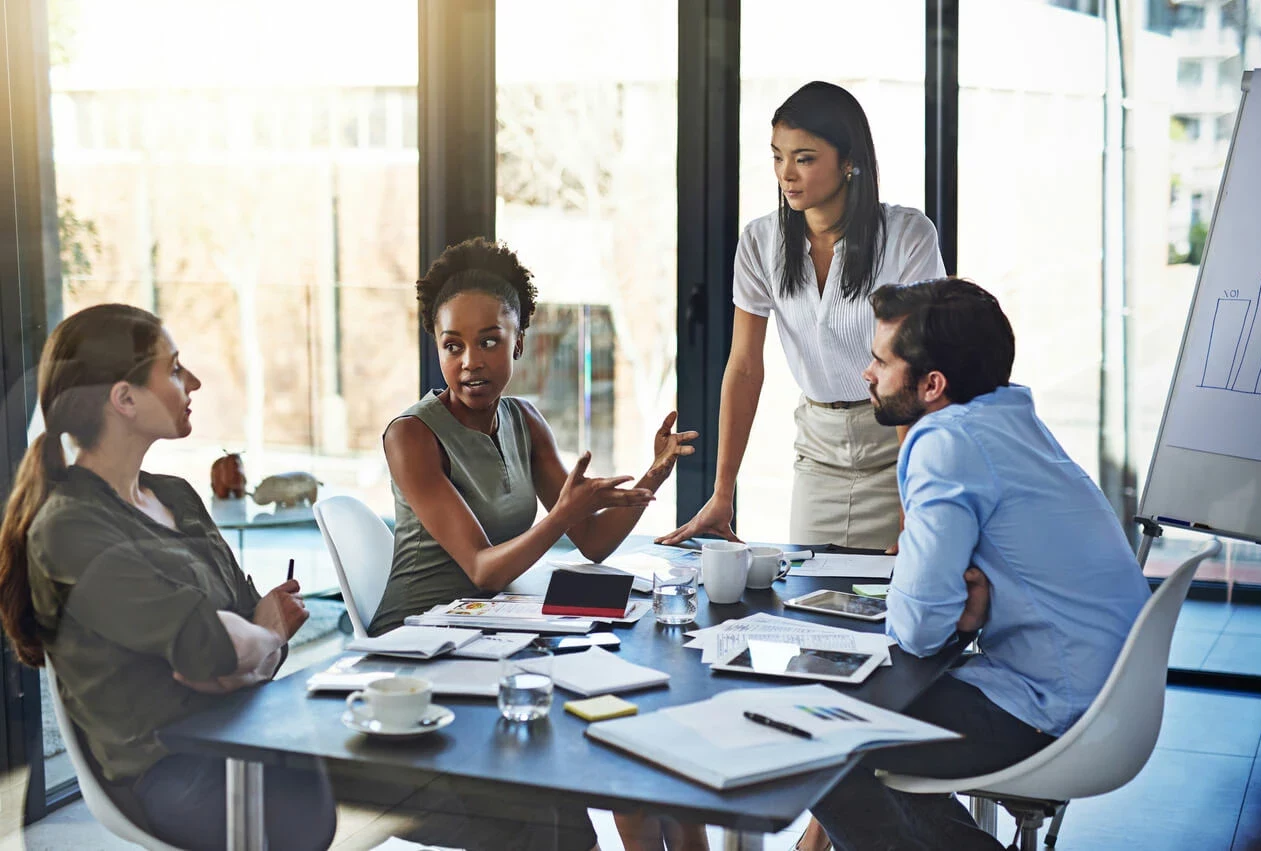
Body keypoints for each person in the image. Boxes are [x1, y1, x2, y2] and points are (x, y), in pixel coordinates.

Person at [373, 237, 704, 851]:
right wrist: (561, 517)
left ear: (518, 342)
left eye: (489, 341)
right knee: (591, 789)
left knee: (653, 755)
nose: (471, 360)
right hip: (425, 640)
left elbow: (594, 541)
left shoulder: (523, 421)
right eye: (453, 346)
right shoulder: (411, 436)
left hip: (496, 628)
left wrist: (655, 472)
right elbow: (481, 570)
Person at [805, 278, 1151, 850]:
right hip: (1106, 696)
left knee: (817, 734)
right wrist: (964, 616)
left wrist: (952, 616)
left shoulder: (945, 441)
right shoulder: (1009, 418)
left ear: (932, 384)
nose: (867, 373)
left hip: (1052, 710)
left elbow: (916, 629)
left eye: (879, 360)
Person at [0, 304, 336, 851]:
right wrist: (258, 641)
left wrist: (238, 654)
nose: (194, 382)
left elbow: (238, 626)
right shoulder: (69, 526)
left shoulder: (176, 494)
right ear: (125, 398)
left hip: (243, 734)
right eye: (176, 369)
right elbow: (218, 643)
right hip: (169, 773)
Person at [660, 80, 945, 552]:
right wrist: (722, 492)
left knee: (895, 603)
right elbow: (745, 366)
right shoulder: (759, 242)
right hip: (819, 451)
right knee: (813, 602)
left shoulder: (908, 236)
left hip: (900, 447)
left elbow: (913, 373)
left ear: (849, 160)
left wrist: (910, 506)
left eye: (804, 158)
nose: (786, 174)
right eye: (778, 156)